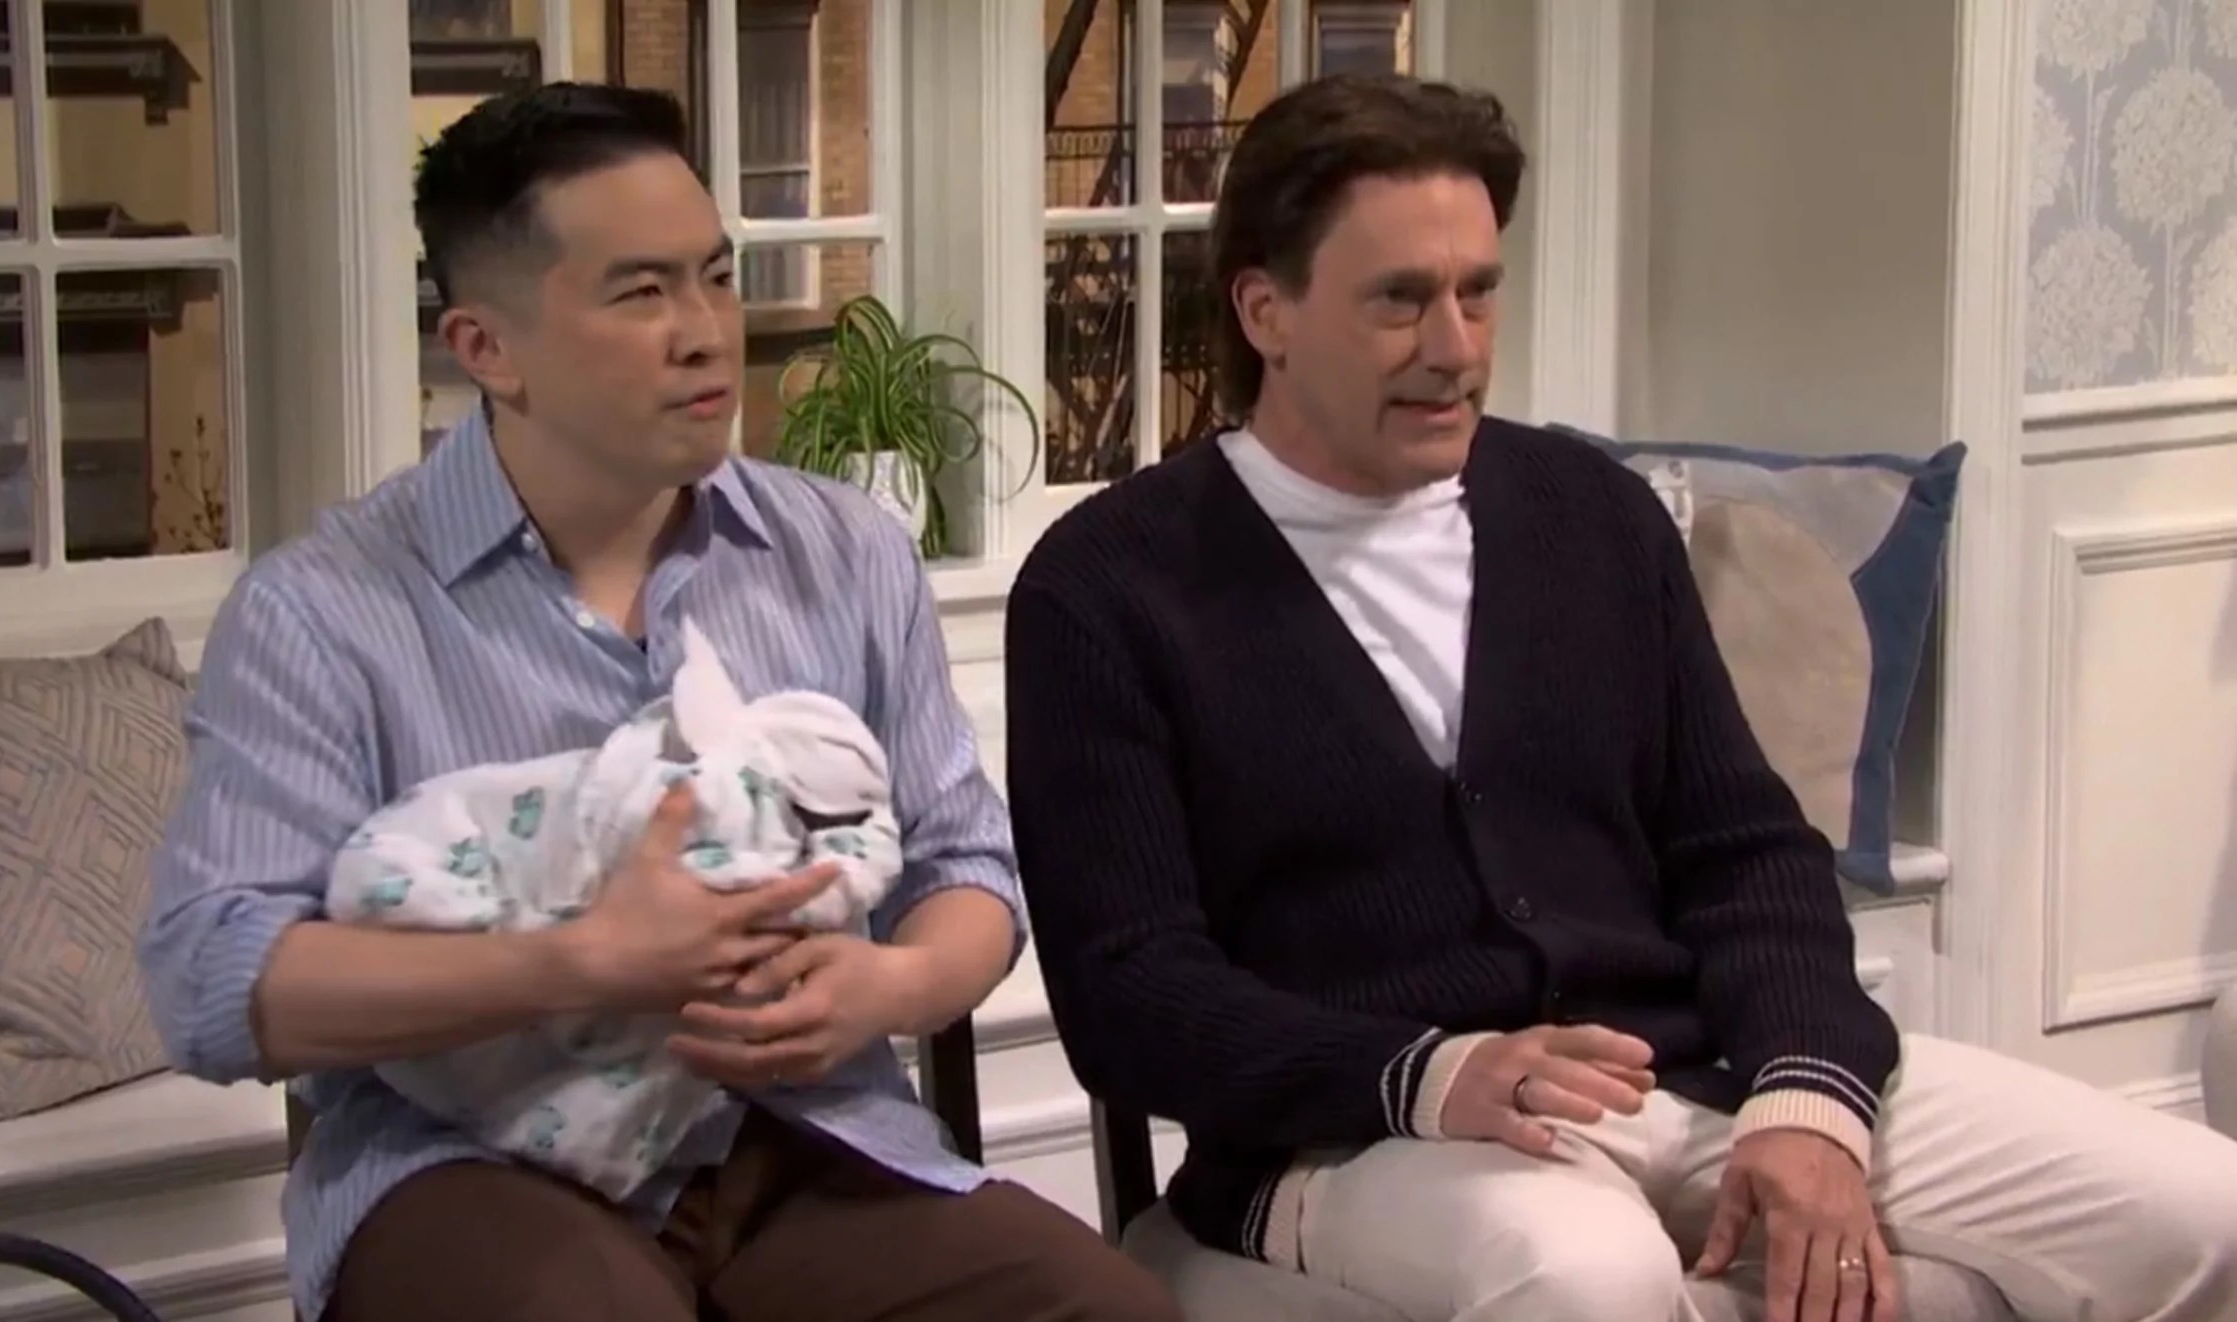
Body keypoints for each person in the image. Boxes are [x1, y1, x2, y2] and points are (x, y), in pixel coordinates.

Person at [1002, 72, 2237, 1322]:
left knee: (2201, 1210)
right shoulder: (1106, 587)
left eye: (1479, 292)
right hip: (1357, 1136)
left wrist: (1806, 1090)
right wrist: (1423, 1071)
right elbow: (1128, 989)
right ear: (1264, 309)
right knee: (1590, 1279)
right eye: (1399, 300)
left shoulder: (1589, 515)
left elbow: (1743, 846)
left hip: (1689, 1070)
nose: (1455, 347)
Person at [140, 82, 1179, 1322]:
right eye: (641, 293)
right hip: (470, 1163)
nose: (705, 332)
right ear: (486, 346)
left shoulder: (845, 552)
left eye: (716, 277)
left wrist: (887, 987)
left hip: (806, 1134)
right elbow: (213, 979)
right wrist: (580, 963)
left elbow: (965, 868)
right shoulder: (320, 610)